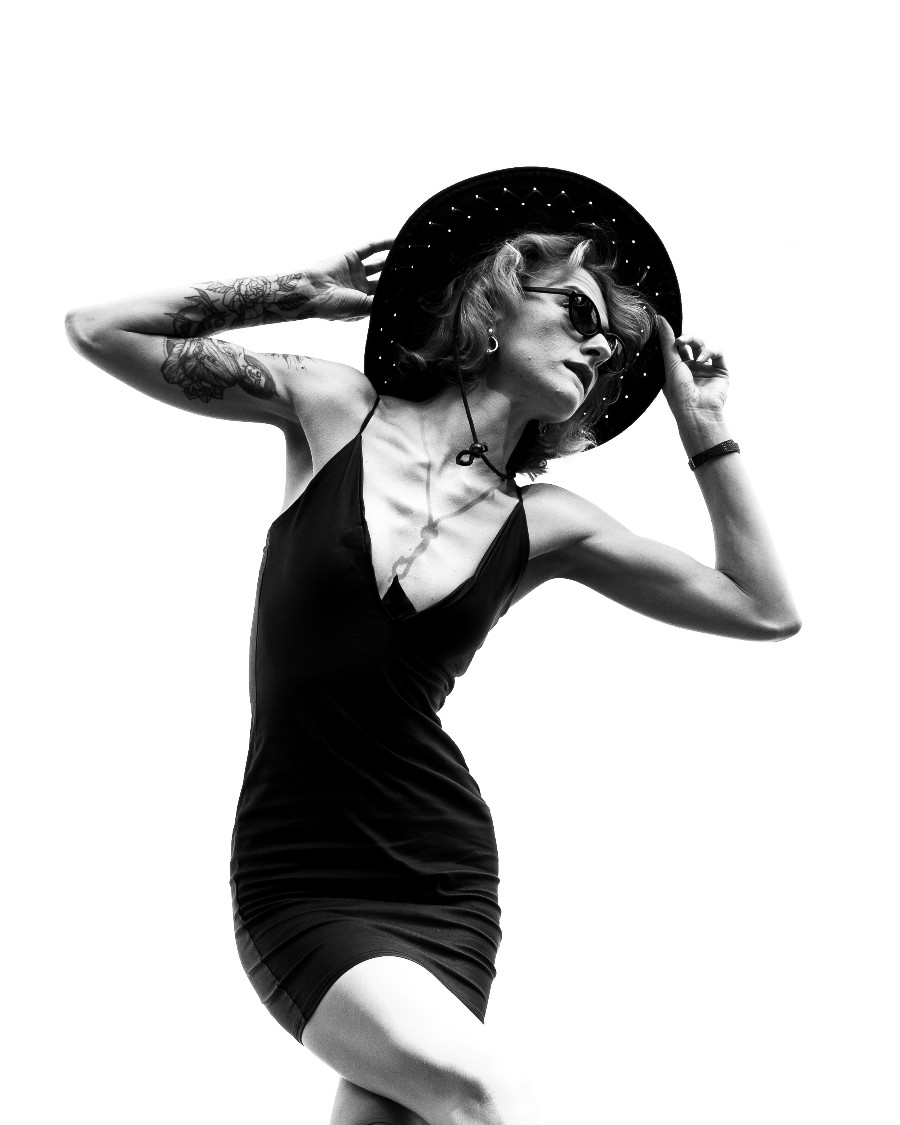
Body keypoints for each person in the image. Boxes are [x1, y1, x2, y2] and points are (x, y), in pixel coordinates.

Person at [64, 167, 800, 1125]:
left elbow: (762, 606)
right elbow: (99, 328)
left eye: (612, 345)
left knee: (448, 1104)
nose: (598, 345)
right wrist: (301, 291)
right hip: (301, 875)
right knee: (488, 1094)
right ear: (492, 302)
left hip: (443, 883)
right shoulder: (334, 408)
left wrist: (704, 427)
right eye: (578, 311)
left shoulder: (546, 521)